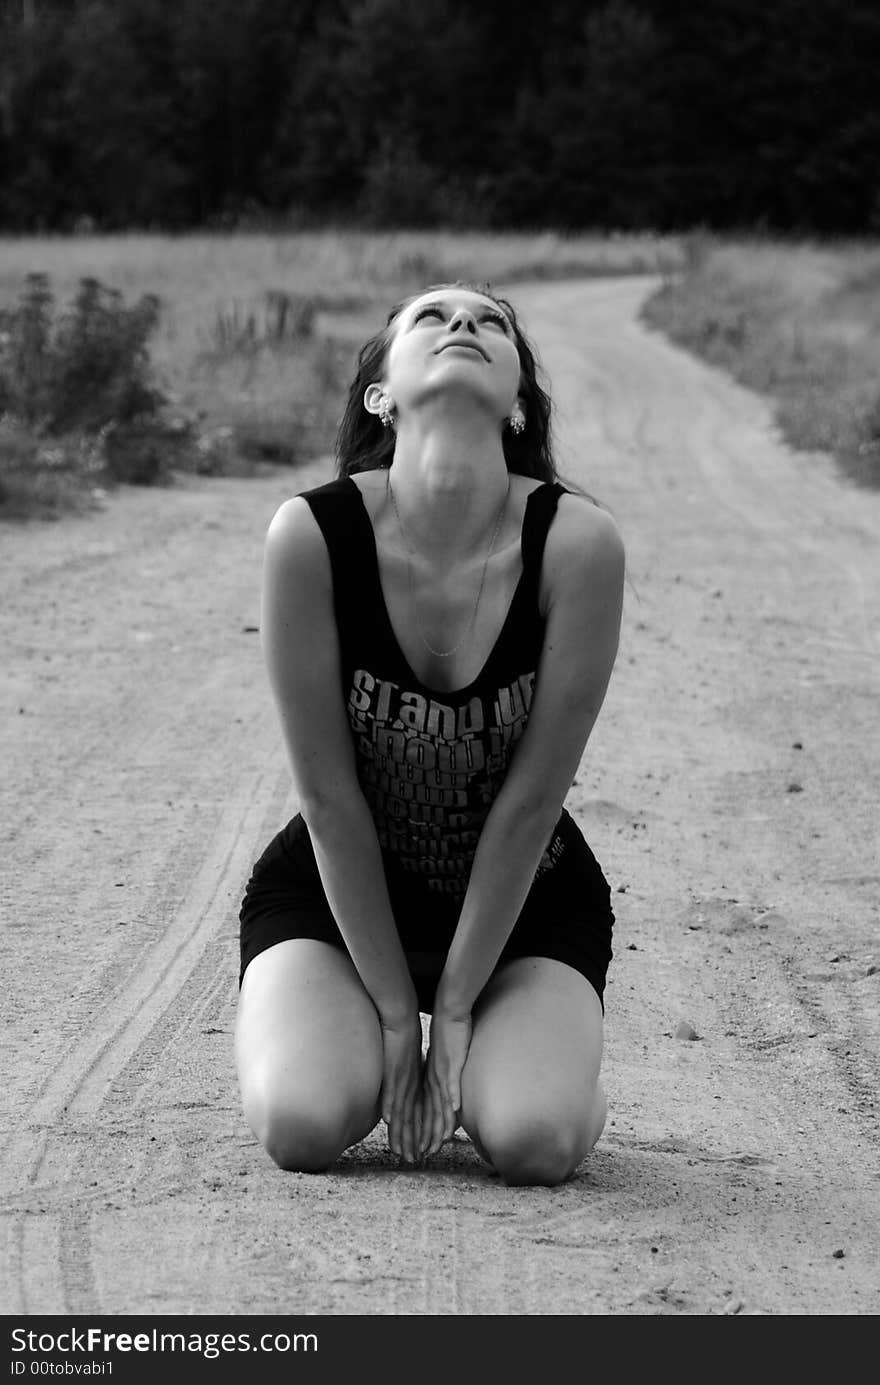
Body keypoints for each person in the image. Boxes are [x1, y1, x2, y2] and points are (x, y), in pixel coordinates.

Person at [234, 281, 625, 1186]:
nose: (464, 325)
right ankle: (342, 1040)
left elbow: (531, 804)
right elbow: (329, 802)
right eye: (432, 317)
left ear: (519, 399)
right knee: (301, 1123)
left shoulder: (578, 543)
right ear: (381, 392)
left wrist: (450, 1008)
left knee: (533, 1140)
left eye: (492, 323)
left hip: (525, 905)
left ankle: (543, 1073)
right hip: (335, 904)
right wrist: (388, 1011)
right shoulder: (311, 535)